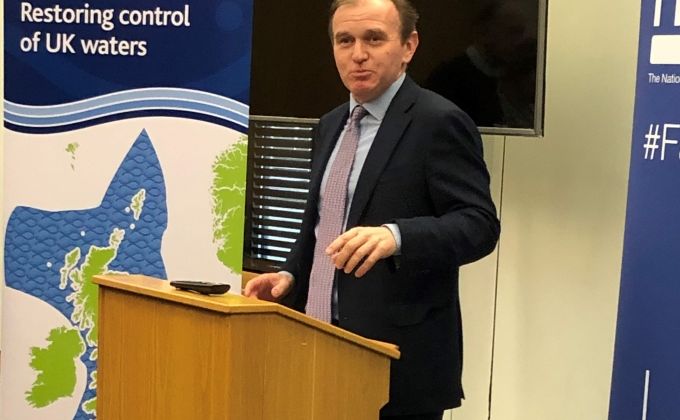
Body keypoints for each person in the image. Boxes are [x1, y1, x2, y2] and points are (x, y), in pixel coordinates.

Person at [245, 0, 500, 418]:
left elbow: (479, 225)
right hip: (317, 347)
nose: (358, 54)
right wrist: (290, 276)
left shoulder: (439, 122)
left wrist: (396, 236)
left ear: (408, 46)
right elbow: (323, 221)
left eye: (374, 39)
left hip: (397, 366)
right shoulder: (329, 125)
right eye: (345, 40)